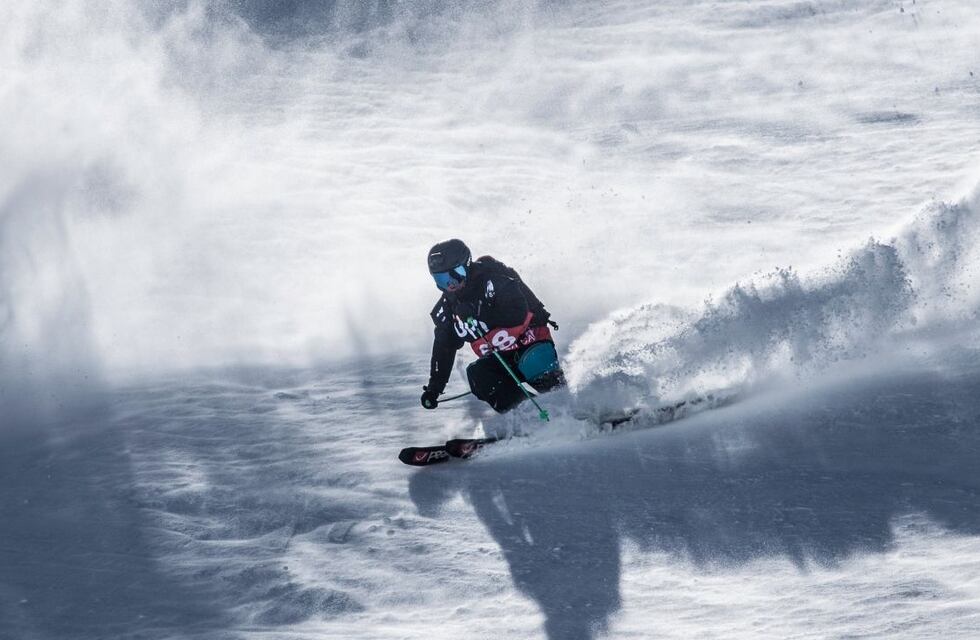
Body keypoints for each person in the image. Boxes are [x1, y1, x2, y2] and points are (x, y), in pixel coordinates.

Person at [421, 239, 565, 414]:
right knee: (477, 375)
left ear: (466, 266)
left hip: (531, 345)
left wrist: (479, 313)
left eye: (454, 275)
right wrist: (434, 387)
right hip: (502, 359)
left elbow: (517, 312)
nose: (450, 284)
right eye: (441, 280)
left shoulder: (493, 280)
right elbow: (444, 348)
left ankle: (568, 406)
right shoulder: (449, 309)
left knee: (533, 364)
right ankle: (528, 416)